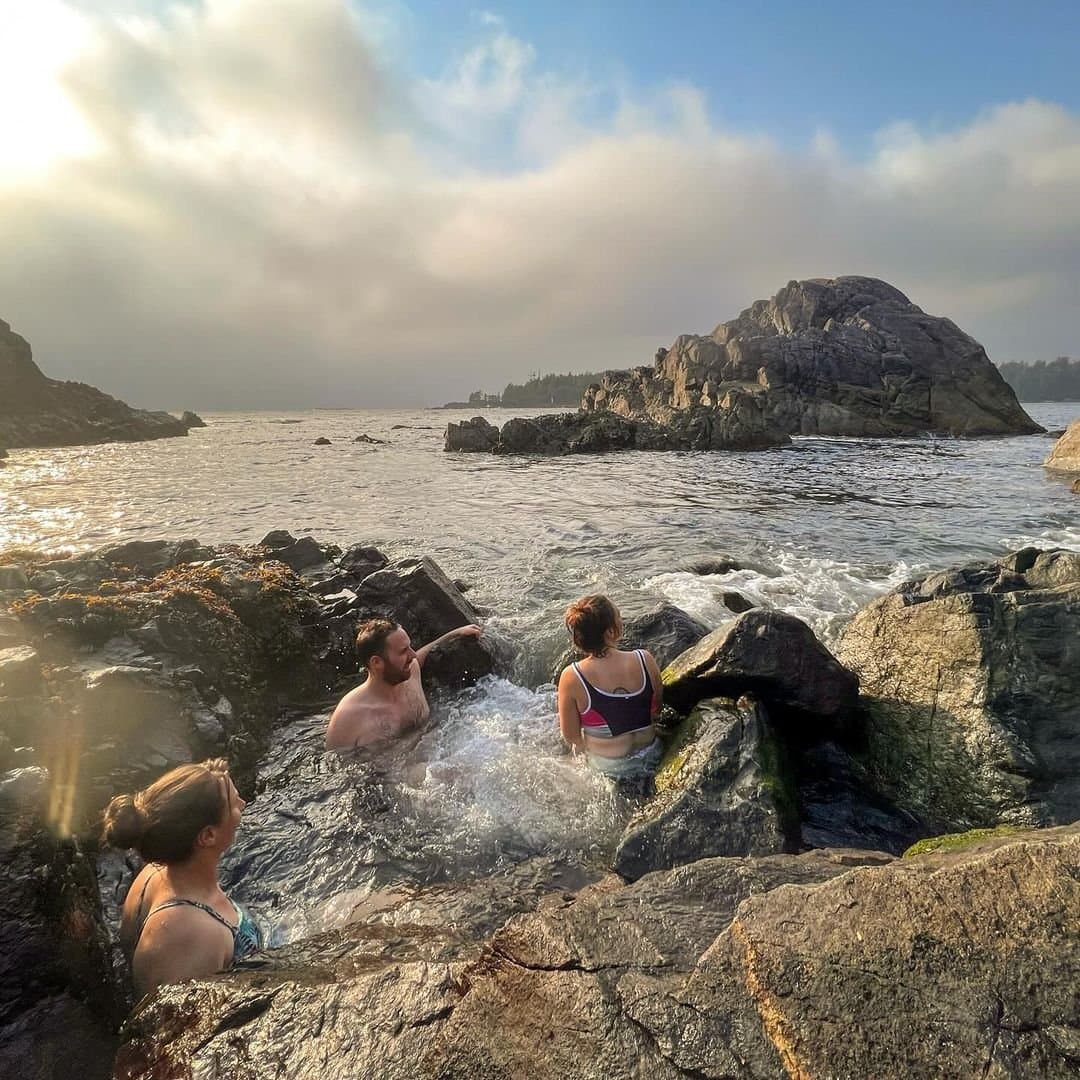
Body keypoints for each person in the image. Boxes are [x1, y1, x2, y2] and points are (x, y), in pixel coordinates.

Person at [101, 758, 263, 996]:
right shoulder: (193, 935)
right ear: (208, 835)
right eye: (234, 804)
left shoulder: (152, 874)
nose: (243, 803)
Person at [325, 618, 482, 751]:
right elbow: (334, 768)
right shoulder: (349, 717)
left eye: (410, 647)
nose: (412, 655)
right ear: (376, 662)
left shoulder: (411, 671)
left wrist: (455, 633)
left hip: (434, 752)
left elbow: (419, 656)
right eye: (403, 651)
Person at [557, 594, 663, 781]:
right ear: (610, 631)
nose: (621, 621)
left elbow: (571, 736)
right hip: (651, 755)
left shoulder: (572, 676)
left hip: (610, 769)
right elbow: (656, 709)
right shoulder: (644, 659)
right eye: (618, 617)